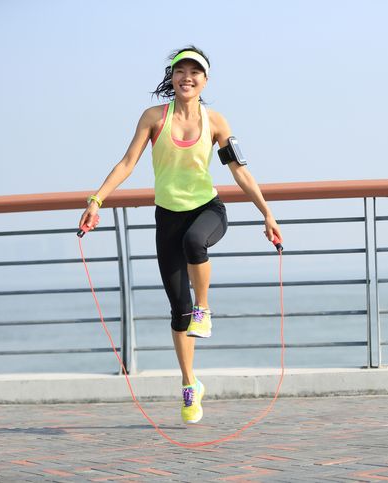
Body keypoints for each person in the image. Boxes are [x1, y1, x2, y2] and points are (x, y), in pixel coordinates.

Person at [78, 46, 282, 424]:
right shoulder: (154, 118)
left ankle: (205, 307)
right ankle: (190, 383)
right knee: (178, 311)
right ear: (172, 77)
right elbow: (127, 162)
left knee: (194, 243)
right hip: (167, 219)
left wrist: (267, 214)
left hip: (207, 211)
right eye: (180, 71)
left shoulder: (216, 122)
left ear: (205, 80)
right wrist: (96, 200)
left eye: (195, 72)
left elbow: (239, 171)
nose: (187, 77)